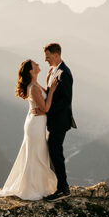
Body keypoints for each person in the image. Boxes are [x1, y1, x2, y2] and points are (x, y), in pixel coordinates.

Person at [0, 59, 59, 201]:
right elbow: (46, 108)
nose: (38, 65)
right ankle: (32, 187)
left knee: (38, 155)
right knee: (35, 155)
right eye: (35, 65)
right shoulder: (33, 88)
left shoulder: (35, 84)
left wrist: (48, 82)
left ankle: (37, 185)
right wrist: (52, 91)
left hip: (37, 122)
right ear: (31, 71)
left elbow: (42, 101)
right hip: (36, 125)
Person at [41, 42, 75, 200]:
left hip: (60, 121)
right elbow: (51, 94)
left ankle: (63, 188)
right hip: (54, 120)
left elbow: (65, 100)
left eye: (48, 56)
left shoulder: (64, 73)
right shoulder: (54, 71)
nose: (45, 59)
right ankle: (59, 185)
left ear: (56, 55)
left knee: (56, 153)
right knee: (53, 151)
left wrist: (47, 110)